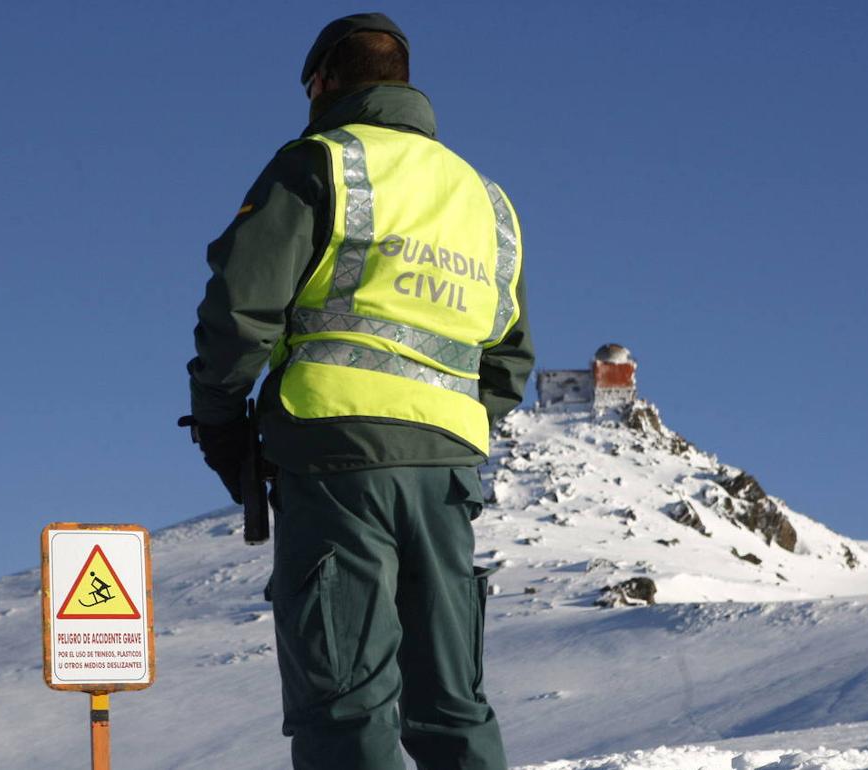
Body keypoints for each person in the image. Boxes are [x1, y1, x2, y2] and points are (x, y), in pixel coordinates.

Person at [186, 12, 533, 770]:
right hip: (445, 478)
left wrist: (218, 420)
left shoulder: (319, 163)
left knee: (345, 701)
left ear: (323, 83)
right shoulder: (488, 202)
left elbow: (242, 307)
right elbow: (509, 360)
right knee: (452, 705)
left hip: (335, 458)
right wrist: (448, 422)